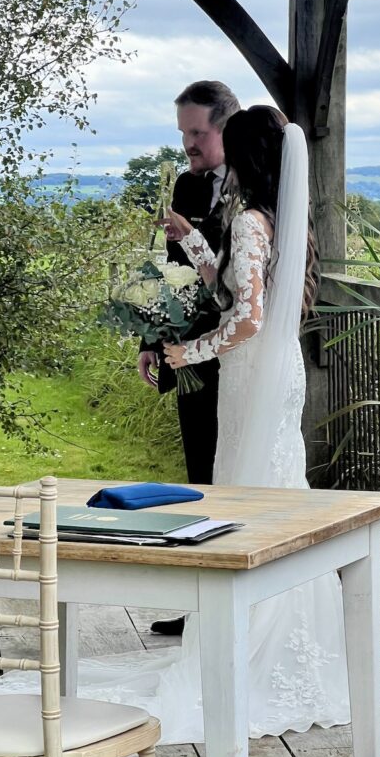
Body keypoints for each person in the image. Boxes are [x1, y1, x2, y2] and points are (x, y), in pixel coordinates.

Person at [0, 107, 349, 741]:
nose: (224, 162)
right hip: (268, 372)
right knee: (268, 488)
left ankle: (258, 638)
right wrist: (197, 242)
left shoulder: (255, 223)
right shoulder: (275, 222)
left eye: (231, 151)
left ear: (250, 159)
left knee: (250, 492)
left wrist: (185, 353)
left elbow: (247, 320)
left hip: (254, 370)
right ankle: (275, 630)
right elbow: (231, 288)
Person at [140, 80, 240, 637]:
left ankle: (240, 596)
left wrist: (198, 234)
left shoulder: (256, 185)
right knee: (199, 475)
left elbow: (241, 268)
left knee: (239, 474)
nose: (189, 146)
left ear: (225, 126)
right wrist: (151, 339)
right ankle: (200, 604)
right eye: (183, 134)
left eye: (198, 133)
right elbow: (171, 274)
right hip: (190, 354)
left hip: (241, 348)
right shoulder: (185, 184)